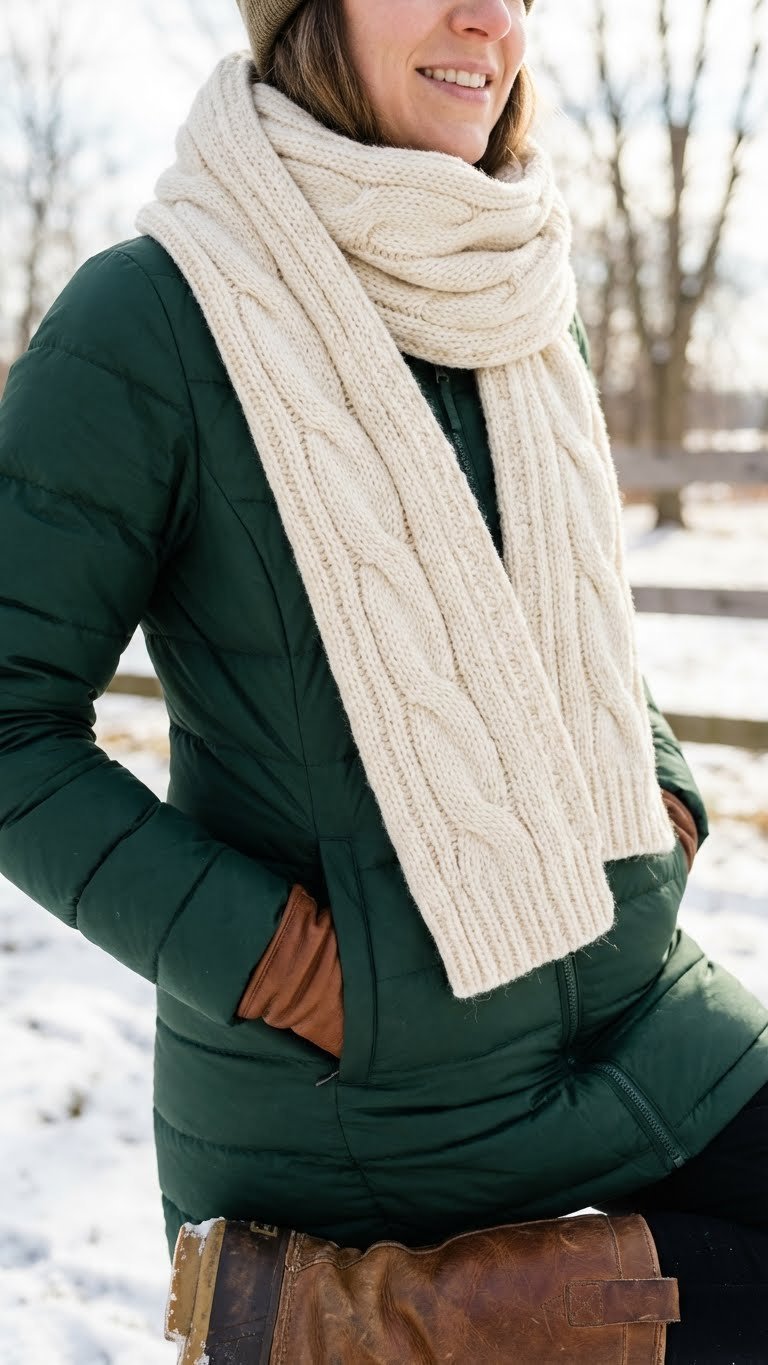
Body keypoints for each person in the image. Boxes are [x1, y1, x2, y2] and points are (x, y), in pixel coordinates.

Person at [0, 0, 766, 1360]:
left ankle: (401, 1335)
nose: (491, 19)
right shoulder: (157, 316)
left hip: (634, 1003)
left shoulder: (516, 272)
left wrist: (665, 797)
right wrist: (300, 967)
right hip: (369, 1097)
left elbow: (575, 608)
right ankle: (325, 1319)